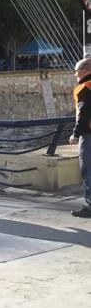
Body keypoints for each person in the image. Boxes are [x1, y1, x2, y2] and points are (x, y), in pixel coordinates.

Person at [69, 58, 91, 217]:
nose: (75, 74)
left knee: (87, 170)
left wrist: (75, 134)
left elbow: (83, 115)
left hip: (89, 135)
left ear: (85, 70)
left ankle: (90, 207)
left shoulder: (84, 87)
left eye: (77, 70)